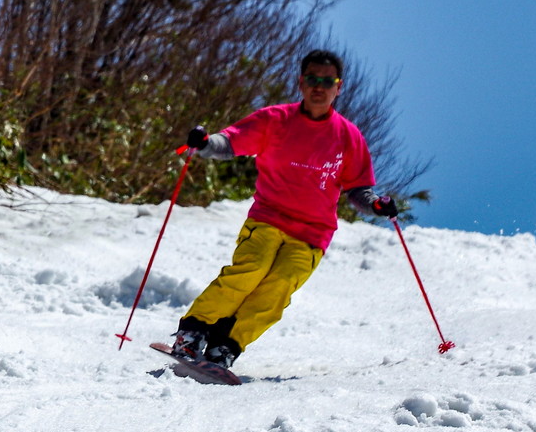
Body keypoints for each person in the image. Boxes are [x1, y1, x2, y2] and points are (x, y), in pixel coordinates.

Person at [171, 49, 398, 370]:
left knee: (276, 291)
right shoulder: (275, 120)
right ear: (301, 83)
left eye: (327, 80)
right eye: (312, 79)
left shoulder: (348, 137)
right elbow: (231, 141)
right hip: (268, 217)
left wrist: (375, 204)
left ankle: (225, 346)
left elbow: (358, 189)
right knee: (251, 270)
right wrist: (206, 143)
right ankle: (193, 332)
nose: (319, 86)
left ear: (339, 87)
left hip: (312, 234)